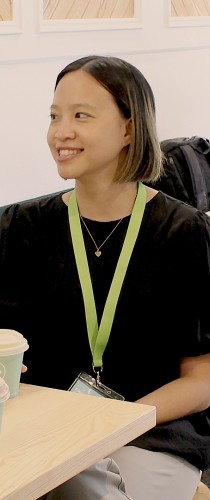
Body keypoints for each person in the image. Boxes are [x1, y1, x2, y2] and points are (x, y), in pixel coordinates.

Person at [0, 55, 210, 500]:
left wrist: (114, 422)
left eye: (81, 116)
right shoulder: (18, 226)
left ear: (130, 129)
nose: (62, 132)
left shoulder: (185, 232)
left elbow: (202, 377)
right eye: (55, 116)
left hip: (153, 431)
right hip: (45, 429)